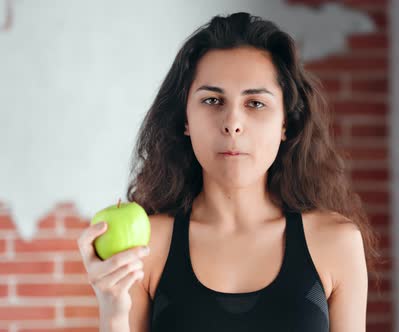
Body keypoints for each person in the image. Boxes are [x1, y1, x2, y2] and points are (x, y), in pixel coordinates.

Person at [77, 11, 382, 332]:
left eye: (255, 103)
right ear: (185, 120)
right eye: (212, 100)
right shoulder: (147, 248)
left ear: (285, 123)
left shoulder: (336, 243)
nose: (232, 123)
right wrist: (112, 309)